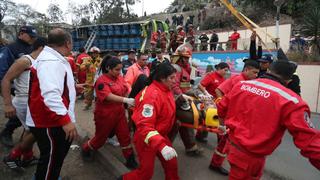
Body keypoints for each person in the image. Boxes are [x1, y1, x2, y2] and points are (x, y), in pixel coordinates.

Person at [217, 60, 320, 179]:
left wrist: (222, 126)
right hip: (249, 158)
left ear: (269, 70)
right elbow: (310, 142)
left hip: (232, 147)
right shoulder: (291, 101)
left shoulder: (242, 85)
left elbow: (222, 107)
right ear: (289, 80)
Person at [26, 28, 77, 180]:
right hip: (49, 121)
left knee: (53, 158)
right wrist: (65, 120)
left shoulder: (53, 58)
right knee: (51, 159)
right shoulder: (51, 61)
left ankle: (49, 175)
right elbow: (50, 95)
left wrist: (73, 88)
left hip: (49, 119)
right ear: (67, 43)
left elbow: (52, 86)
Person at [120, 62, 179, 180]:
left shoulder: (166, 89)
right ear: (162, 78)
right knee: (145, 174)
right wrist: (162, 145)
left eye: (175, 77)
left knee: (172, 165)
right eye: (172, 77)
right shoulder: (152, 96)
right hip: (146, 139)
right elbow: (144, 126)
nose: (175, 80)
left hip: (160, 135)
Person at [81, 56, 138, 169]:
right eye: (116, 69)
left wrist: (129, 95)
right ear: (108, 68)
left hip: (119, 113)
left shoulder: (119, 78)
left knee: (125, 136)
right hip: (105, 115)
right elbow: (107, 96)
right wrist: (126, 100)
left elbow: (125, 89)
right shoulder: (101, 81)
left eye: (120, 69)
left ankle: (130, 159)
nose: (119, 72)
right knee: (100, 139)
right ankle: (86, 148)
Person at [208, 60, 260, 176]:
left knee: (226, 141)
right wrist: (225, 107)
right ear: (246, 70)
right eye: (254, 72)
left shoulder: (246, 82)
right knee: (227, 141)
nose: (256, 76)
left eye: (257, 73)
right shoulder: (238, 80)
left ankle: (217, 163)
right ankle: (216, 164)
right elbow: (218, 90)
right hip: (230, 117)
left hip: (236, 117)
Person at [2, 37, 47, 169]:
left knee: (30, 131)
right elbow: (6, 80)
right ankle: (13, 156)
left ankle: (27, 156)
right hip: (24, 101)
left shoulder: (38, 61)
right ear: (41, 48)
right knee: (37, 131)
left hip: (33, 101)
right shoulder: (25, 61)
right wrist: (7, 104)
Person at [0, 25, 37, 147]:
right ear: (21, 34)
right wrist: (7, 103)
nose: (32, 39)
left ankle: (24, 145)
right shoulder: (11, 49)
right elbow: (2, 73)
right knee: (18, 111)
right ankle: (7, 132)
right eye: (30, 36)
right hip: (13, 86)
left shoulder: (33, 47)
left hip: (30, 88)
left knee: (27, 114)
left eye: (34, 37)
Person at [170, 45, 203, 156]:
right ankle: (164, 147)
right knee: (185, 119)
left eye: (188, 58)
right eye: (185, 58)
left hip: (180, 99)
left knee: (184, 122)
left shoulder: (184, 69)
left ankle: (191, 147)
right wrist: (183, 97)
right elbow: (174, 87)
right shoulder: (176, 68)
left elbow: (185, 87)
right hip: (174, 101)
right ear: (179, 57)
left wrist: (196, 93)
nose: (187, 60)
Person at [195, 62, 230, 143]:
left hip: (218, 101)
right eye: (225, 70)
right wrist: (207, 93)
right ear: (218, 69)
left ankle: (218, 138)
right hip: (208, 100)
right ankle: (219, 138)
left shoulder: (223, 79)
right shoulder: (211, 76)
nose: (226, 72)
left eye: (227, 71)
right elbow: (200, 85)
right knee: (213, 118)